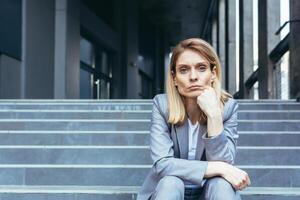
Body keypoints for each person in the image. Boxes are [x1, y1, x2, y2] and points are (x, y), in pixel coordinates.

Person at [137, 38, 251, 200]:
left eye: (201, 68)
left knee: (221, 184)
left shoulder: (228, 107)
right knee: (171, 183)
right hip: (168, 190)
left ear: (213, 73)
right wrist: (218, 167)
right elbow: (162, 164)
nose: (193, 77)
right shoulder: (162, 105)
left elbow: (225, 162)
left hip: (210, 190)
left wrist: (214, 115)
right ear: (174, 78)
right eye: (183, 70)